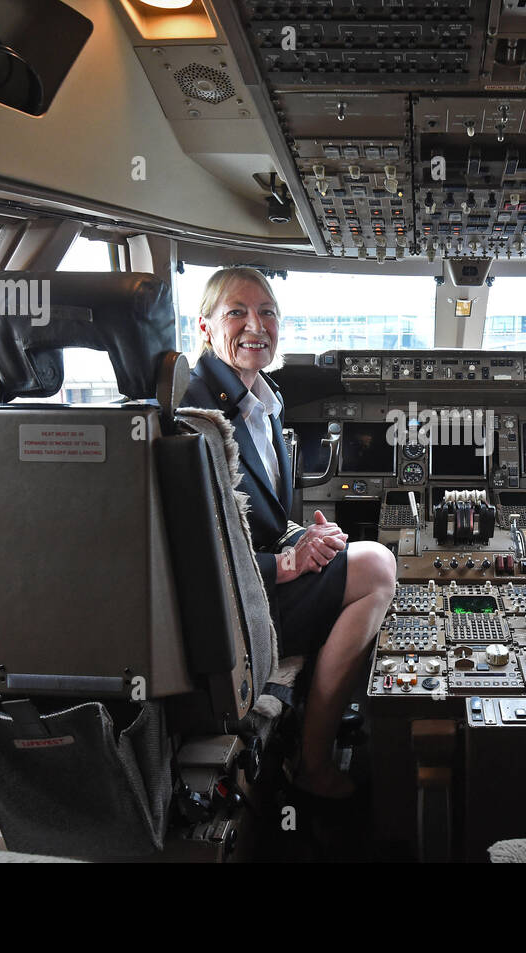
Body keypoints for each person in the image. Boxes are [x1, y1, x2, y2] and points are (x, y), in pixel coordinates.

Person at [181, 267, 395, 798]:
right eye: (236, 311)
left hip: (256, 584)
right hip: (228, 612)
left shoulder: (261, 402)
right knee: (376, 567)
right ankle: (313, 761)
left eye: (267, 311)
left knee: (351, 553)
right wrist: (283, 564)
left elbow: (259, 520)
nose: (256, 324)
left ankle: (334, 723)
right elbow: (185, 554)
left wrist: (300, 536)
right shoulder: (193, 413)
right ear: (205, 326)